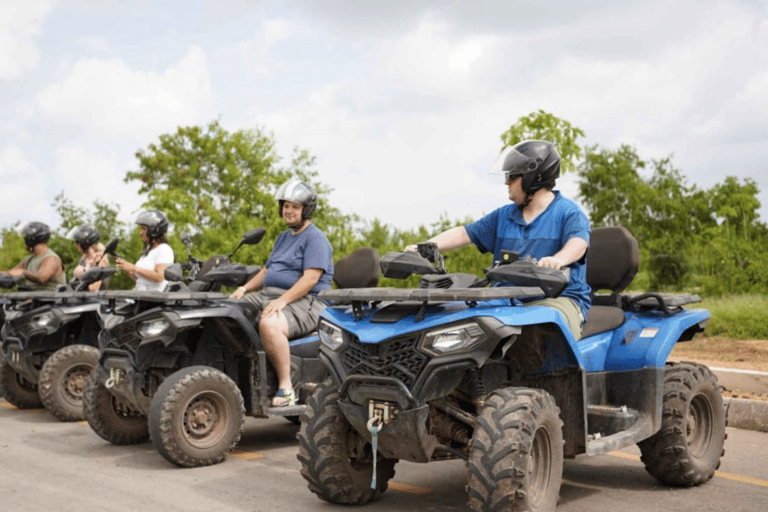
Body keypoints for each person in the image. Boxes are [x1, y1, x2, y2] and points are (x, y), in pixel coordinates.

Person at [406, 139, 591, 340]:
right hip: (505, 300)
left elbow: (578, 243)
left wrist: (559, 259)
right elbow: (464, 233)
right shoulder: (504, 216)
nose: (506, 182)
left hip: (556, 300)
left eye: (511, 176)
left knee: (535, 332)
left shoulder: (568, 213)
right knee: (450, 322)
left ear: (532, 178)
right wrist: (423, 247)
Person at [230, 179, 334, 406]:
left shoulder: (316, 238)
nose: (289, 211)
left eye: (295, 207)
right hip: (271, 294)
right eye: (286, 206)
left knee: (270, 323)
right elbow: (267, 271)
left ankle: (287, 387)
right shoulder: (283, 238)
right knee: (228, 311)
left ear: (306, 210)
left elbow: (311, 279)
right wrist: (244, 288)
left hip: (308, 300)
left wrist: (282, 301)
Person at [115, 210, 174, 291]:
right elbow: (139, 279)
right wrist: (127, 268)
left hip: (154, 298)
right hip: (140, 296)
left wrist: (134, 268)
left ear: (154, 230)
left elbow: (159, 277)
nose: (140, 232)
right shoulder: (149, 250)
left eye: (144, 229)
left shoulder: (164, 249)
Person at [1, 222, 66, 291]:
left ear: (32, 239)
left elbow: (42, 278)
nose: (25, 241)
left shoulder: (51, 259)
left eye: (26, 237)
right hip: (32, 299)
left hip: (50, 300)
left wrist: (23, 272)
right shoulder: (29, 260)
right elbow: (11, 272)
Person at [68, 224, 110, 291]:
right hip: (82, 297)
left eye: (78, 242)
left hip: (94, 299)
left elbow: (94, 288)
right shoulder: (84, 259)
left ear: (85, 243)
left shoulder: (100, 260)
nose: (76, 245)